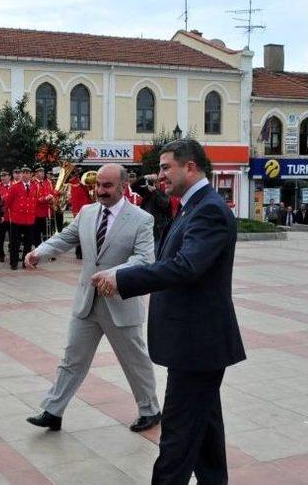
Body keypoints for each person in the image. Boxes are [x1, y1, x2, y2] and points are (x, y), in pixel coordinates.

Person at [94, 139, 246, 485]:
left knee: (176, 439)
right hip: (195, 344)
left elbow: (186, 266)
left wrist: (122, 278)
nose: (160, 175)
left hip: (197, 345)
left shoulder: (207, 209)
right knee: (205, 435)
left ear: (190, 167)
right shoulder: (192, 206)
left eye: (166, 167)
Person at [24, 163, 161, 433]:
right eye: (97, 185)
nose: (100, 190)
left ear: (123, 187)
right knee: (72, 359)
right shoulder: (86, 213)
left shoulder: (141, 219)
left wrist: (113, 274)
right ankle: (53, 411)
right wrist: (40, 252)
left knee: (134, 361)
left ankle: (150, 410)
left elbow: (145, 259)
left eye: (107, 186)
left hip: (121, 303)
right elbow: (64, 238)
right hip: (87, 303)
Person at [5, 166, 37, 270]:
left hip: (30, 219)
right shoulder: (15, 187)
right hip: (17, 219)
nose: (25, 174)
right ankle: (13, 263)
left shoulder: (34, 186)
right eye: (23, 172)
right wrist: (9, 213)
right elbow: (8, 202)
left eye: (27, 173)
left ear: (31, 175)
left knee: (28, 243)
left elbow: (35, 201)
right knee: (15, 243)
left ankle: (25, 262)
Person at [135, 173, 171, 248]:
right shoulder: (146, 192)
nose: (154, 184)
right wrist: (145, 177)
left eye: (155, 181)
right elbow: (134, 186)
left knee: (156, 250)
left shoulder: (164, 191)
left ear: (159, 182)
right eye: (152, 181)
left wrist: (155, 191)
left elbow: (164, 204)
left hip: (158, 229)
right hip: (146, 226)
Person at [32, 166, 55, 246]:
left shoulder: (47, 183)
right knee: (37, 234)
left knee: (47, 234)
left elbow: (51, 193)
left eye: (42, 171)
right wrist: (45, 198)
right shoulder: (33, 183)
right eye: (40, 171)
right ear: (35, 173)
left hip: (47, 212)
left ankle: (47, 251)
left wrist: (53, 199)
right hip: (37, 213)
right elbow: (34, 199)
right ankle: (38, 251)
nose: (42, 173)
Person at [0, 170, 12, 262]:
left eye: (5, 175)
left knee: (13, 238)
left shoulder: (14, 186)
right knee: (0, 237)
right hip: (1, 216)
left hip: (12, 216)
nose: (3, 178)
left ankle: (13, 254)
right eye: (2, 176)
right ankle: (0, 254)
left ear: (9, 177)